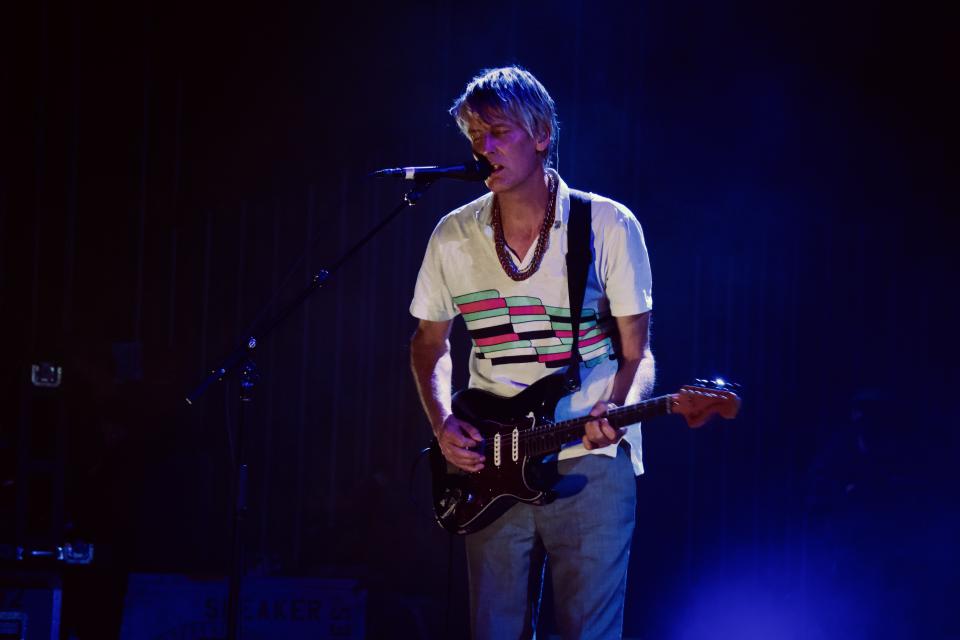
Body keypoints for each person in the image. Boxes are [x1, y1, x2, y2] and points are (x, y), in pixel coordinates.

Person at [409, 66, 654, 639]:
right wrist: (443, 423)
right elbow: (428, 345)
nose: (484, 148)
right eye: (475, 136)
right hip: (489, 463)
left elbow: (637, 352)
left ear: (542, 133)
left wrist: (614, 411)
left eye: (499, 132)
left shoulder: (606, 225)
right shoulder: (451, 236)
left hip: (589, 462)